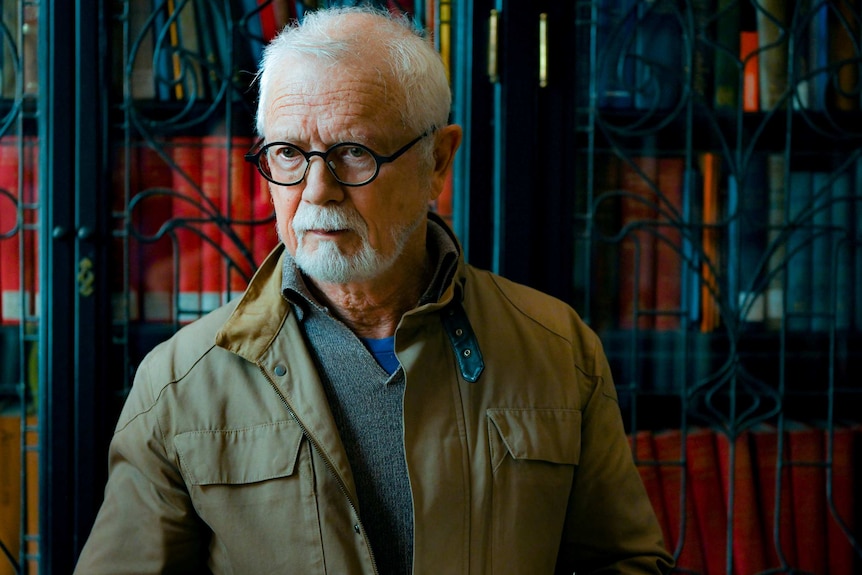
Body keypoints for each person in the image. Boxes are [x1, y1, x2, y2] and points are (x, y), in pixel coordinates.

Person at [75, 6, 673, 574]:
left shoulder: (557, 349)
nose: (316, 192)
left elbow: (625, 562)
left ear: (437, 162)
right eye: (287, 153)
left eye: (353, 153)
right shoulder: (181, 380)